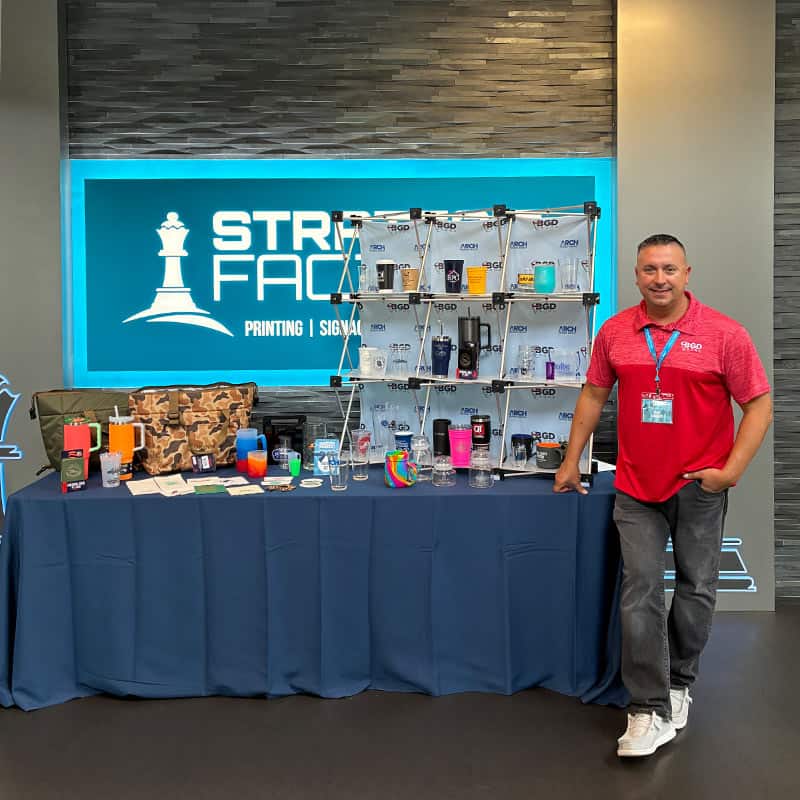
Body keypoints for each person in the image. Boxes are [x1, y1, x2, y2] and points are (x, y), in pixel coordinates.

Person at [553, 234, 772, 758]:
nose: (659, 279)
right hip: (635, 487)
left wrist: (729, 472)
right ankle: (648, 708)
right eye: (649, 269)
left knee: (696, 589)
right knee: (640, 592)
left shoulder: (725, 335)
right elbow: (593, 393)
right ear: (635, 276)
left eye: (669, 269)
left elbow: (759, 405)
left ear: (687, 273)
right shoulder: (616, 332)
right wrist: (569, 459)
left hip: (699, 488)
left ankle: (679, 684)